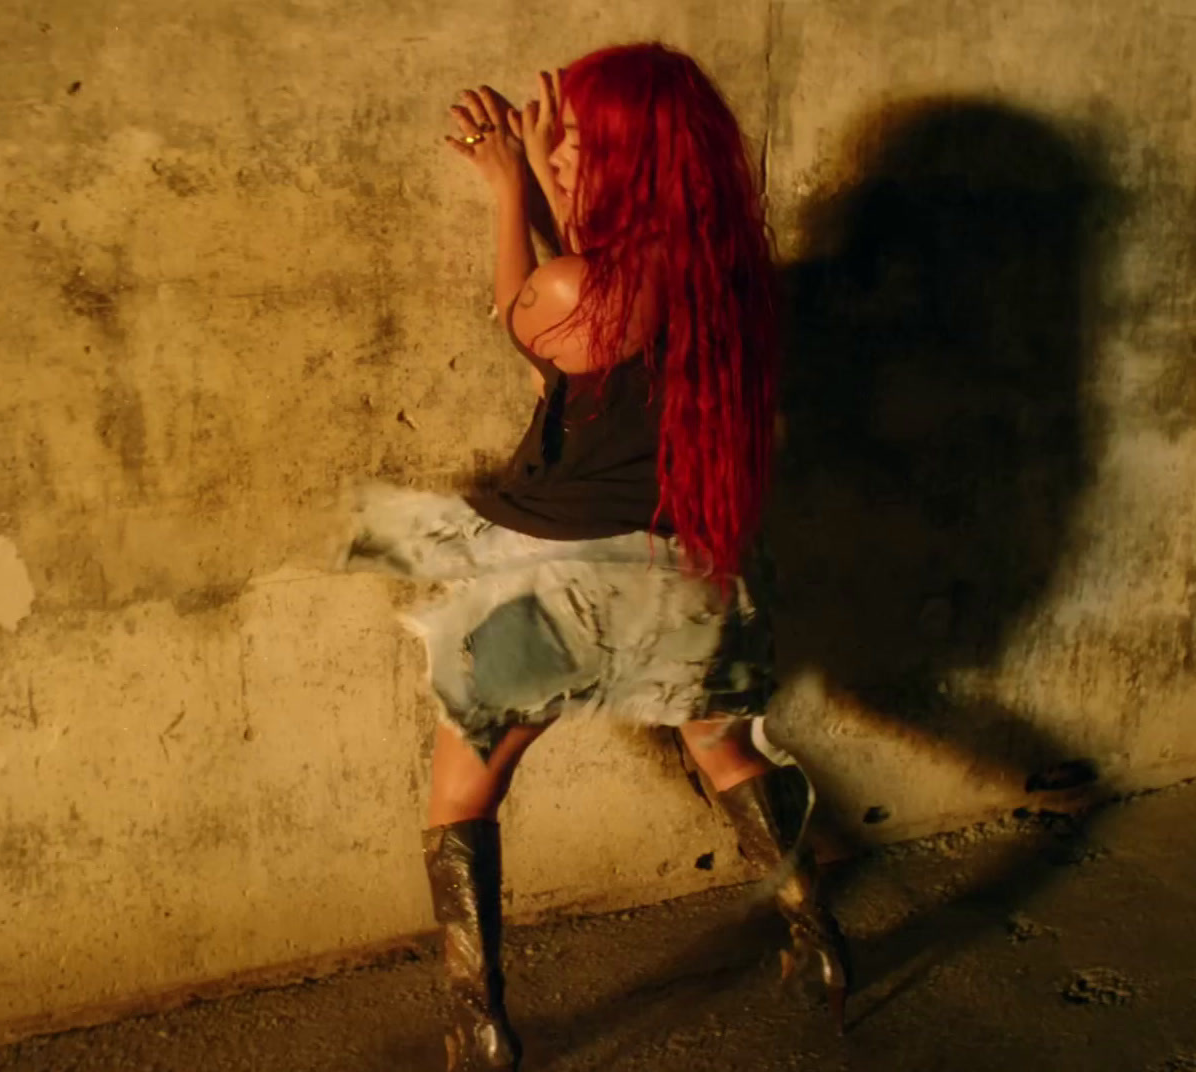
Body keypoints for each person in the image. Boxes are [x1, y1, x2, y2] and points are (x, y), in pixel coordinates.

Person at [343, 43, 847, 1071]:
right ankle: (816, 933)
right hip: (686, 573)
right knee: (722, 748)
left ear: (630, 150)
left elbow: (529, 318)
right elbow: (600, 306)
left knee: (462, 795)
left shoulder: (580, 282)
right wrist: (553, 191)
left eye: (575, 132)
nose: (555, 144)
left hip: (557, 578)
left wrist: (506, 189)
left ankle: (477, 1023)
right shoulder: (724, 278)